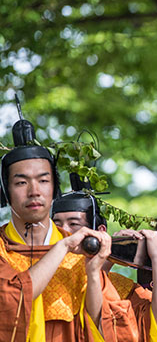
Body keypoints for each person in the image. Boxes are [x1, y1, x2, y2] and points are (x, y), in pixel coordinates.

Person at [0, 117, 114, 341]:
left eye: (43, 181)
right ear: (5, 190)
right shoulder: (4, 250)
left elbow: (100, 326)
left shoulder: (79, 252)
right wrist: (61, 247)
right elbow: (11, 299)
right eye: (21, 182)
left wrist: (93, 273)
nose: (34, 191)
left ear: (54, 188)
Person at [52, 191, 157, 342]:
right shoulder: (44, 274)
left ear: (99, 232)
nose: (63, 230)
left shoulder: (122, 288)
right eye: (56, 225)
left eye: (73, 224)